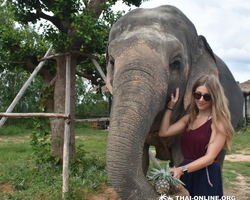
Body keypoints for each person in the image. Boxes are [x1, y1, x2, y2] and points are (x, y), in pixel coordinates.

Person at [158, 74, 234, 197]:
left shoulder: (218, 123)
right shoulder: (189, 119)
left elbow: (209, 158)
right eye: (197, 95)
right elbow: (164, 132)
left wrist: (182, 169)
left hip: (206, 174)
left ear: (215, 98)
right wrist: (170, 107)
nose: (201, 99)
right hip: (186, 173)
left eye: (207, 96)